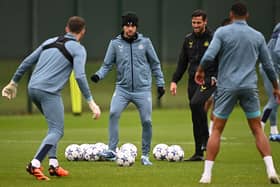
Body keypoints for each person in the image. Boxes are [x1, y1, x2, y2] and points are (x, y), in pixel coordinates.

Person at [1, 16, 101, 181]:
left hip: (32, 89)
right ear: (83, 32)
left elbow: (27, 62)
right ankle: (35, 163)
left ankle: (54, 164)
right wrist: (90, 102)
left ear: (66, 28)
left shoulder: (49, 41)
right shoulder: (78, 49)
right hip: (49, 92)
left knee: (53, 127)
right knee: (57, 130)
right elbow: (80, 76)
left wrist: (13, 83)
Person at [195, 2, 280, 184]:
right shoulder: (257, 36)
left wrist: (200, 70)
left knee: (216, 129)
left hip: (227, 86)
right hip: (249, 86)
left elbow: (210, 55)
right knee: (257, 129)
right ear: (247, 16)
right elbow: (268, 65)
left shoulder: (222, 32)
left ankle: (206, 175)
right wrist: (275, 86)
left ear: (231, 15)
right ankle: (271, 170)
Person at [90, 12, 165, 166]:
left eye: (132, 26)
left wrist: (160, 84)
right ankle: (111, 150)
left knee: (147, 121)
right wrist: (99, 75)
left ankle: (145, 155)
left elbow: (155, 64)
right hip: (122, 89)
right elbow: (107, 65)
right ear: (123, 27)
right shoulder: (115, 44)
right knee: (113, 113)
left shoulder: (146, 42)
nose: (130, 28)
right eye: (127, 25)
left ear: (136, 27)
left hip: (142, 90)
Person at [170, 10, 217, 161]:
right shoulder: (188, 39)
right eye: (193, 23)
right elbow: (182, 63)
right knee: (195, 114)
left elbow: (220, 59)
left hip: (208, 80)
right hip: (192, 81)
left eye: (198, 22)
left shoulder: (214, 38)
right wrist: (174, 81)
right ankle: (198, 153)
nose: (196, 25)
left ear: (205, 22)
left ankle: (206, 139)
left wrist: (216, 77)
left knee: (196, 103)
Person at [259, 22, 280, 142]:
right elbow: (278, 51)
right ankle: (259, 129)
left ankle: (273, 130)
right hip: (270, 68)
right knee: (275, 99)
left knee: (275, 99)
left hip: (271, 67)